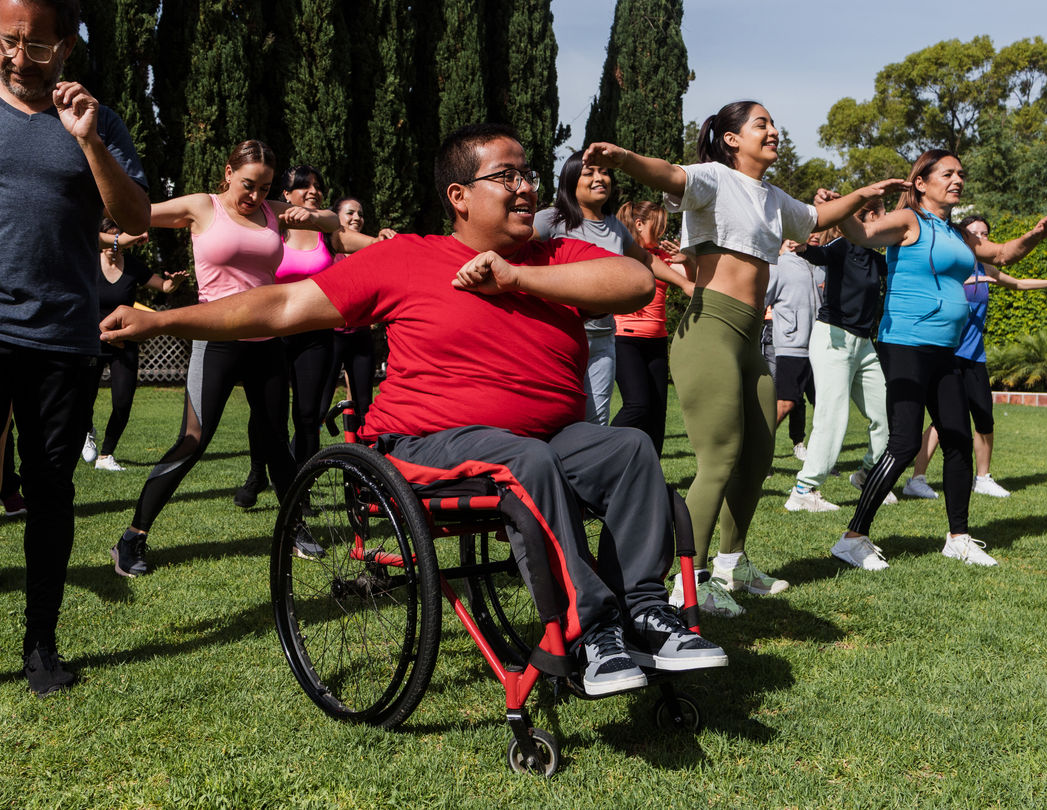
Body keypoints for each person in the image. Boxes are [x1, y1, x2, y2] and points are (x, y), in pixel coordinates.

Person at [101, 122, 727, 698]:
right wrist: (166, 320)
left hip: (548, 439)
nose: (525, 187)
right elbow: (281, 308)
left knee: (629, 448)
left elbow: (635, 283)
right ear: (459, 195)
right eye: (505, 175)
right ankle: (591, 629)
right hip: (426, 445)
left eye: (527, 174)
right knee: (525, 459)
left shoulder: (555, 259)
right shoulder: (405, 258)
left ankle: (644, 609)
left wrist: (516, 279)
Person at [583, 101, 907, 616]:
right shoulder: (713, 178)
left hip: (749, 339)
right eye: (761, 124)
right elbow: (670, 173)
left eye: (773, 123)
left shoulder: (775, 199)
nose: (773, 130)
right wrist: (622, 158)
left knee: (757, 456)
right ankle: (684, 585)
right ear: (732, 139)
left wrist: (864, 195)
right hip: (709, 331)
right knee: (719, 459)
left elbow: (818, 217)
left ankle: (732, 563)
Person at [0, 0, 150, 695]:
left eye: (34, 45)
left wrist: (88, 141)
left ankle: (41, 643)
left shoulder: (99, 121)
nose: (16, 56)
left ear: (65, 47)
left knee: (51, 490)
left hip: (61, 336)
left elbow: (135, 216)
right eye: (6, 41)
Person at [110, 141, 346, 579]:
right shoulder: (204, 207)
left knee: (277, 438)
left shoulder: (273, 212)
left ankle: (294, 526)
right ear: (228, 172)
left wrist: (312, 217)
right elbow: (139, 213)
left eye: (265, 187)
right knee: (194, 440)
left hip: (267, 341)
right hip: (215, 341)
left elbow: (334, 220)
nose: (254, 196)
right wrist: (114, 227)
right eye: (247, 184)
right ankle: (132, 538)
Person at [829, 150, 1047, 571]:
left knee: (956, 438)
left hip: (946, 349)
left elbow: (1005, 255)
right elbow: (862, 235)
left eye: (961, 174)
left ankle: (958, 537)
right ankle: (852, 538)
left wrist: (1039, 231)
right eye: (948, 173)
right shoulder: (909, 221)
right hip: (904, 342)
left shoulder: (958, 234)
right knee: (903, 444)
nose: (958, 179)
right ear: (921, 182)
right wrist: (841, 207)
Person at [233, 168, 387, 509]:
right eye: (303, 186)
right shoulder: (273, 230)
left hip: (315, 336)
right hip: (272, 333)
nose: (313, 191)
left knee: (306, 417)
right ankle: (257, 474)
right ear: (285, 195)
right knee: (265, 413)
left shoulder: (327, 233)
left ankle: (299, 485)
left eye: (318, 186)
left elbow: (372, 246)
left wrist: (386, 239)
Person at [904, 214, 1047, 499]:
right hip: (949, 353)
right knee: (942, 420)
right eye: (975, 233)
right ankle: (916, 479)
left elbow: (1020, 284)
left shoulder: (986, 265)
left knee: (985, 417)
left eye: (985, 233)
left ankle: (983, 478)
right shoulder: (955, 265)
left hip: (975, 355)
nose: (981, 238)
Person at [533, 150, 694, 426]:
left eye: (605, 172)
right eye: (589, 173)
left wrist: (685, 283)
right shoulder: (552, 220)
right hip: (562, 338)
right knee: (556, 418)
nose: (600, 178)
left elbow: (645, 259)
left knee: (596, 423)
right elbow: (514, 246)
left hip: (603, 340)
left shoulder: (615, 227)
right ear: (571, 181)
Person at [784, 201, 895, 513]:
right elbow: (817, 254)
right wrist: (804, 246)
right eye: (882, 214)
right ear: (867, 217)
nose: (887, 220)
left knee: (887, 413)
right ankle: (804, 489)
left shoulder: (877, 259)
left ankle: (867, 476)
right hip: (833, 338)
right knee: (833, 417)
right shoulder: (841, 246)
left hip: (864, 344)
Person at [83, 219, 186, 472]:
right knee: (83, 397)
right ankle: (86, 430)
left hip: (124, 344)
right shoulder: (87, 263)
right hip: (92, 342)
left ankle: (106, 455)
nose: (113, 245)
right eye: (108, 239)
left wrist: (173, 284)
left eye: (118, 239)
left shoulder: (132, 267)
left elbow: (162, 285)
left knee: (122, 401)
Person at [610, 200, 694, 454]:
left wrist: (687, 261)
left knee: (658, 414)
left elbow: (693, 285)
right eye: (657, 226)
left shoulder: (664, 257)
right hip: (625, 339)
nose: (661, 233)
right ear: (639, 224)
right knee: (638, 406)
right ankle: (602, 451)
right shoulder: (621, 254)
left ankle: (652, 475)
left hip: (657, 340)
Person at [314, 195, 396, 431]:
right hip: (331, 335)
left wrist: (385, 239)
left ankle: (358, 462)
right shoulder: (328, 247)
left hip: (360, 337)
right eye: (350, 213)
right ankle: (302, 461)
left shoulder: (368, 251)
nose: (357, 218)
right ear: (336, 216)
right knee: (319, 405)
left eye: (360, 213)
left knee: (363, 406)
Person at [765, 237, 825, 453]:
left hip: (822, 346)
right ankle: (755, 454)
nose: (816, 236)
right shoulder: (779, 266)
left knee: (825, 407)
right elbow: (761, 300)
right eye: (809, 232)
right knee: (786, 403)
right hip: (792, 345)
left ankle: (819, 462)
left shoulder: (822, 266)